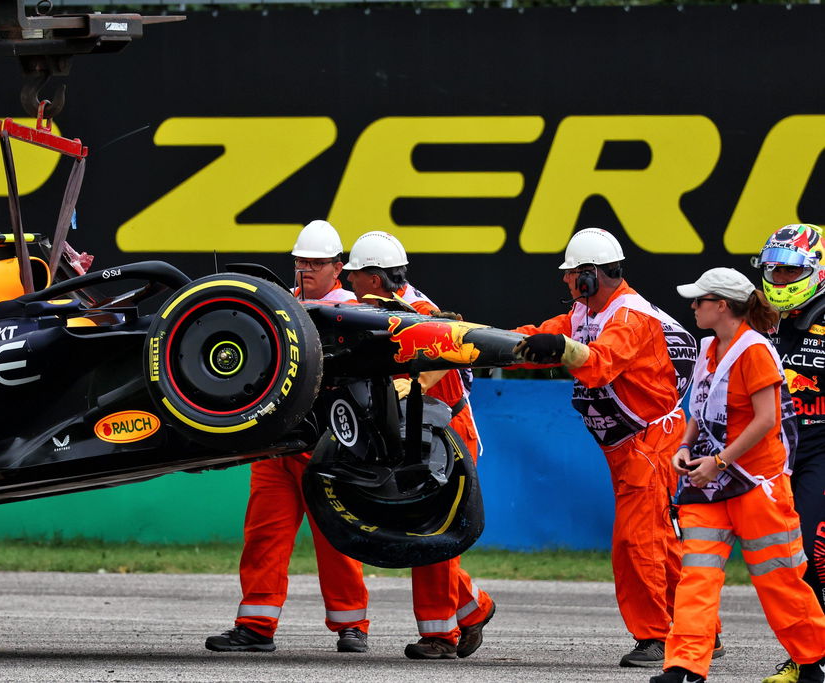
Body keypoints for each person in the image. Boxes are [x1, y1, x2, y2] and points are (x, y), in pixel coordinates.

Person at [511, 227, 711, 667]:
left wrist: (559, 348)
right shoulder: (585, 313)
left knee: (636, 540)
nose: (565, 282)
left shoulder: (629, 319)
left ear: (590, 276)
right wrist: (475, 340)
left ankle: (657, 636)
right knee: (660, 538)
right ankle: (698, 627)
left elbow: (599, 365)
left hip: (650, 441)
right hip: (628, 443)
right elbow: (534, 338)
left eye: (571, 275)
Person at [649, 267, 825, 683]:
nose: (692, 307)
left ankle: (813, 660)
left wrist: (720, 461)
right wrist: (685, 448)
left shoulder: (756, 350)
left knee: (779, 580)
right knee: (697, 577)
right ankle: (686, 666)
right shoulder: (708, 347)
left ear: (722, 305)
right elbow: (700, 408)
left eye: (699, 301)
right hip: (710, 485)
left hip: (757, 484)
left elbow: (766, 420)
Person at [205, 220, 370, 654]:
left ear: (338, 267)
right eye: (301, 262)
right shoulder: (280, 305)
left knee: (336, 539)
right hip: (275, 446)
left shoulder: (355, 310)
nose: (307, 269)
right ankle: (256, 625)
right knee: (264, 536)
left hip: (328, 447)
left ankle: (352, 626)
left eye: (316, 263)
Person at [343, 230, 495, 660]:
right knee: (421, 531)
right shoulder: (375, 307)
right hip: (420, 432)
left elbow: (425, 375)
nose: (350, 280)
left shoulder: (420, 315)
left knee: (432, 532)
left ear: (374, 277)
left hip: (446, 433)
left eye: (355, 274)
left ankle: (440, 636)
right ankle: (473, 608)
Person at [753, 224, 825, 683]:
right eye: (773, 271)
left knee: (816, 551)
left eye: (789, 271)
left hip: (822, 449)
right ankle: (807, 657)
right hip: (780, 456)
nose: (778, 281)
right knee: (789, 558)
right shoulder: (762, 321)